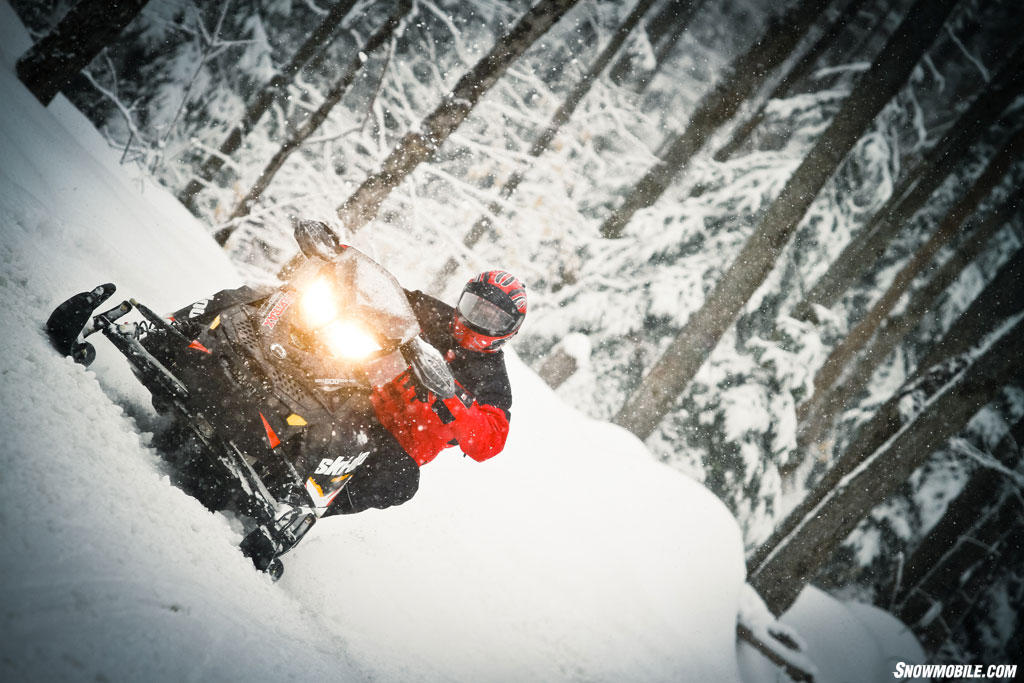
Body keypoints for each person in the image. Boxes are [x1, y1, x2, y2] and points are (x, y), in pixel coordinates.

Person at [324, 269, 528, 516]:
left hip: (398, 443)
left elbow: (489, 441)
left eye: (492, 319)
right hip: (363, 396)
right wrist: (340, 257)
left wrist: (451, 397)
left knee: (400, 481)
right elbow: (391, 295)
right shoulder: (437, 315)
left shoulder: (493, 380)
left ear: (508, 330)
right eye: (474, 306)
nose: (477, 318)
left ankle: (306, 513)